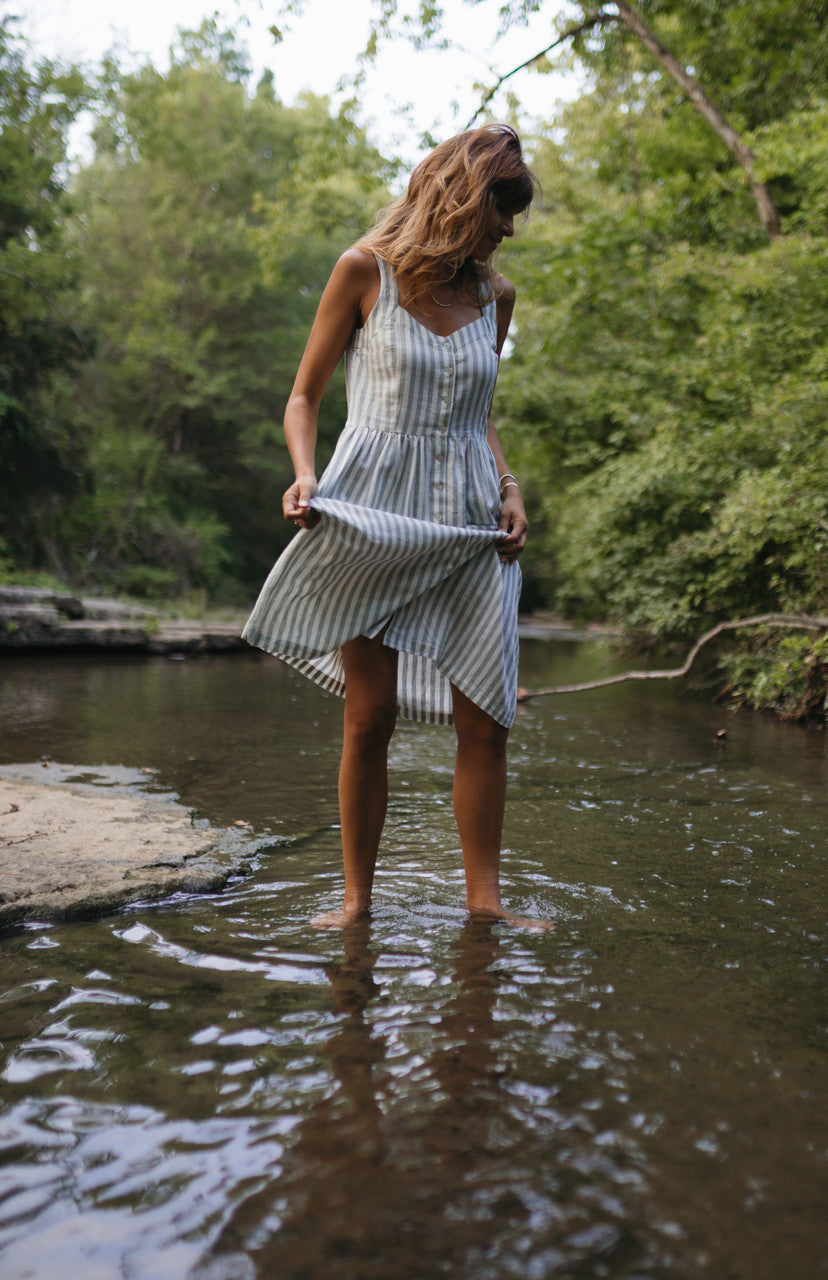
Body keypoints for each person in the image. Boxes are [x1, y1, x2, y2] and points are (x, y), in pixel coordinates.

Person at [243, 124, 549, 931]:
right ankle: (355, 903)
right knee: (368, 716)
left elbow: (477, 416)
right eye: (502, 210)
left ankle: (484, 907)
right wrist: (306, 473)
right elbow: (303, 396)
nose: (509, 229)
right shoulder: (361, 272)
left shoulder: (497, 297)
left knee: (485, 718)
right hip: (371, 510)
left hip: (472, 523)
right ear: (461, 199)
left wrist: (510, 487)